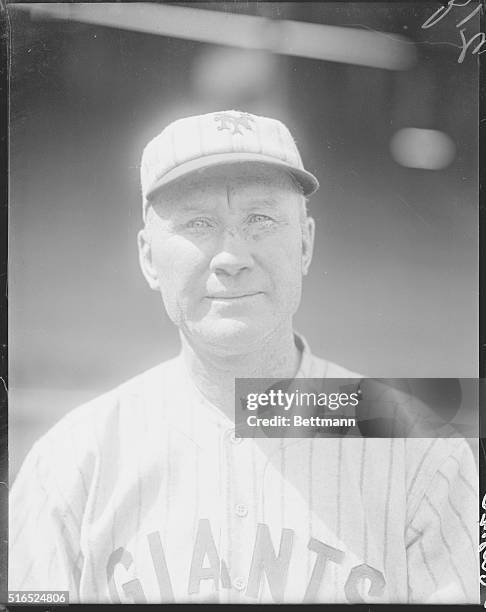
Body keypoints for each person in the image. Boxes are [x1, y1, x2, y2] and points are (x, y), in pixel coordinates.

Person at [9, 110, 478, 604]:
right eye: (197, 222)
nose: (231, 257)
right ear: (149, 258)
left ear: (305, 244)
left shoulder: (421, 455)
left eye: (260, 219)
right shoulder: (69, 466)